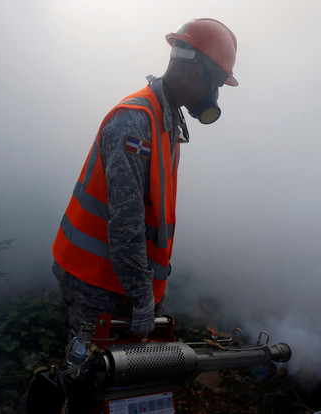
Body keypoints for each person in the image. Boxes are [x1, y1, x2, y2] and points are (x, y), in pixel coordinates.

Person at [51, 18, 238, 337]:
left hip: (118, 274)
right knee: (94, 372)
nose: (215, 95)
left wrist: (149, 293)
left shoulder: (167, 123)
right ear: (195, 69)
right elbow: (126, 223)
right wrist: (142, 298)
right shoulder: (135, 125)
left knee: (122, 373)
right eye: (216, 83)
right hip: (93, 276)